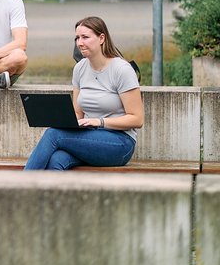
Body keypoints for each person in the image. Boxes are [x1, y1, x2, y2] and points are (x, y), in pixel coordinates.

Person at [24, 16, 142, 170]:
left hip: (120, 143)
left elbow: (137, 119)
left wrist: (100, 122)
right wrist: (61, 120)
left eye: (85, 37)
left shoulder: (122, 70)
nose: (79, 43)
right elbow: (78, 114)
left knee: (53, 135)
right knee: (56, 159)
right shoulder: (80, 68)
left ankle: (20, 186)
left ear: (101, 38)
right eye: (77, 38)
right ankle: (48, 193)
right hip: (88, 137)